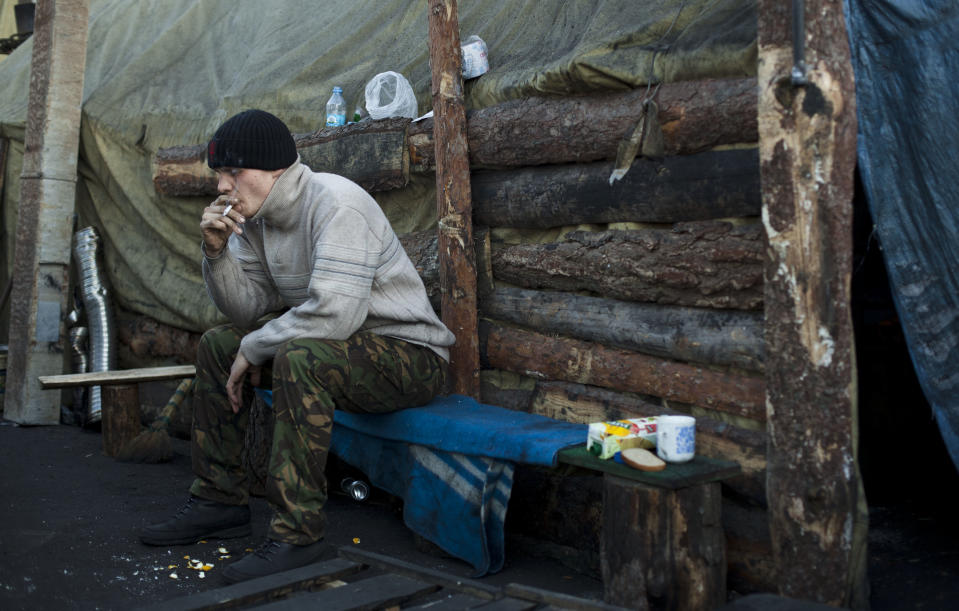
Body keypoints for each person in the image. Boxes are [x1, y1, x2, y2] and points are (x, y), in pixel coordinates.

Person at [139, 109, 455, 583]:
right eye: (219, 174)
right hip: (343, 349)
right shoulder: (257, 219)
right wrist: (215, 252)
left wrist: (256, 346)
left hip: (409, 355)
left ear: (275, 171)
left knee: (299, 354)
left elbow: (334, 314)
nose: (222, 186)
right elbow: (245, 311)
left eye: (233, 173)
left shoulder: (336, 204)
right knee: (219, 345)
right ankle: (218, 500)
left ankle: (296, 536)